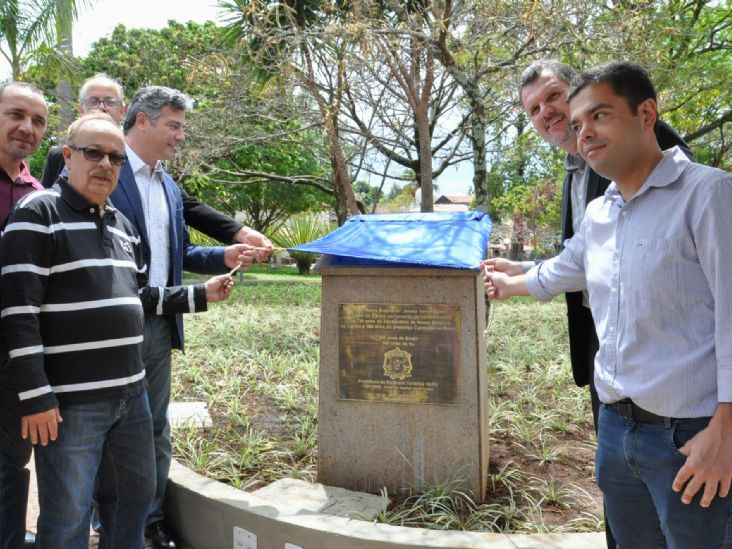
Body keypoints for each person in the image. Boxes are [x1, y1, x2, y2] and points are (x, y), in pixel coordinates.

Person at [484, 61, 732, 548]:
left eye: (598, 116)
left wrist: (725, 433)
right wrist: (511, 281)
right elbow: (565, 269)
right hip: (617, 431)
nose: (584, 133)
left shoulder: (708, 194)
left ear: (646, 114)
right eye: (577, 125)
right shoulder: (600, 212)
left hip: (690, 437)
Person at [1, 112, 236, 548]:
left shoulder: (122, 226)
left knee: (132, 497)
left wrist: (201, 295)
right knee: (68, 515)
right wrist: (35, 396)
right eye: (93, 153)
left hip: (131, 395)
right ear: (68, 156)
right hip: (72, 405)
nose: (105, 164)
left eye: (115, 157)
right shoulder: (36, 214)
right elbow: (18, 312)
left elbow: (142, 296)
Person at [111, 86, 271, 548]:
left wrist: (227, 254)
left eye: (183, 127)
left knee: (155, 427)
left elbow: (178, 252)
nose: (181, 137)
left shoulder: (167, 185)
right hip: (110, 328)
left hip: (160, 325)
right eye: (173, 126)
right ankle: (107, 520)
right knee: (106, 429)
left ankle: (150, 522)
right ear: (142, 121)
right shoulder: (105, 167)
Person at [41, 73, 270, 248]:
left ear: (122, 111)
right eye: (93, 101)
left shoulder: (149, 164)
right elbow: (49, 212)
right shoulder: (61, 156)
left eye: (109, 101)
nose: (101, 107)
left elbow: (187, 207)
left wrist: (240, 232)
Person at [0, 82, 48, 549]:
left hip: (16, 354)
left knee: (11, 465)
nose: (26, 128)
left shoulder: (38, 195)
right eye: (16, 114)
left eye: (38, 122)